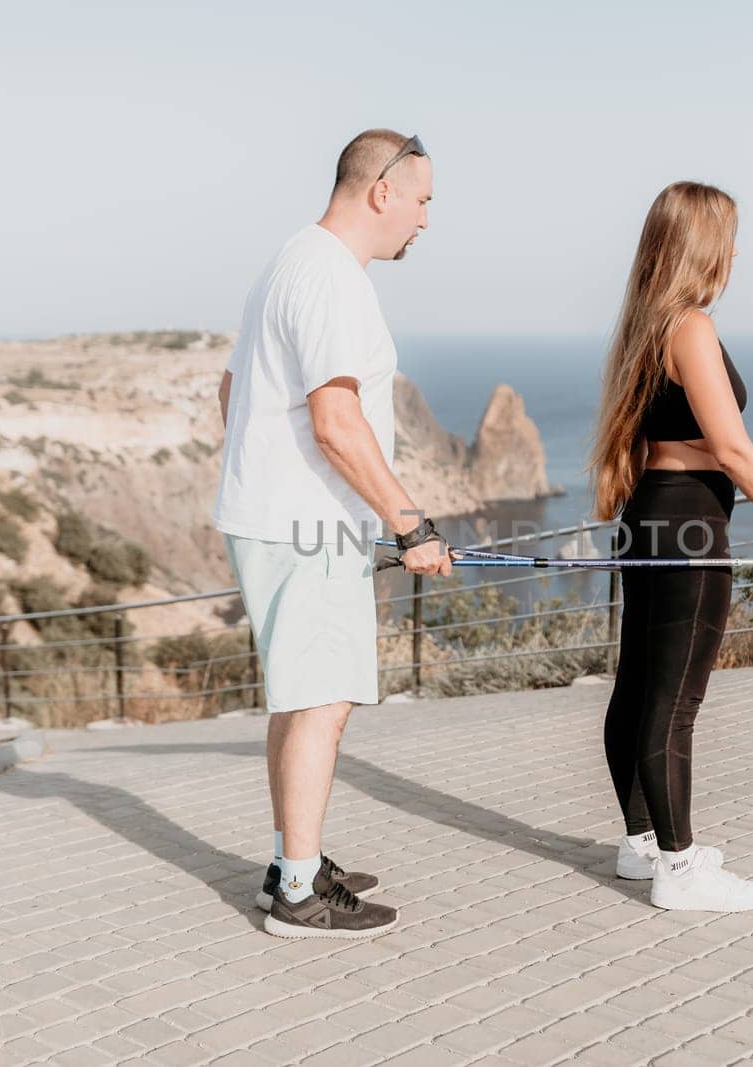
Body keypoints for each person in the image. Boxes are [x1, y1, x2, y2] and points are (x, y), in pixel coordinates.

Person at [588, 181, 753, 912]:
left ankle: (643, 845)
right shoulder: (692, 329)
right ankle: (680, 869)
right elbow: (733, 450)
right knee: (673, 703)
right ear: (704, 247)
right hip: (688, 526)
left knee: (639, 686)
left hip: (648, 514)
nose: (738, 252)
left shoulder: (644, 325)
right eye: (730, 238)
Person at [213, 129, 452, 939]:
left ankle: (295, 862)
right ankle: (296, 896)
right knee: (322, 702)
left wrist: (268, 475)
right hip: (304, 529)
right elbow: (337, 421)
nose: (425, 221)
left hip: (281, 518)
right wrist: (409, 522)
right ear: (381, 190)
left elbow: (232, 388)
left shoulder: (292, 260)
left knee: (300, 698)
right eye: (422, 201)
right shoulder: (331, 278)